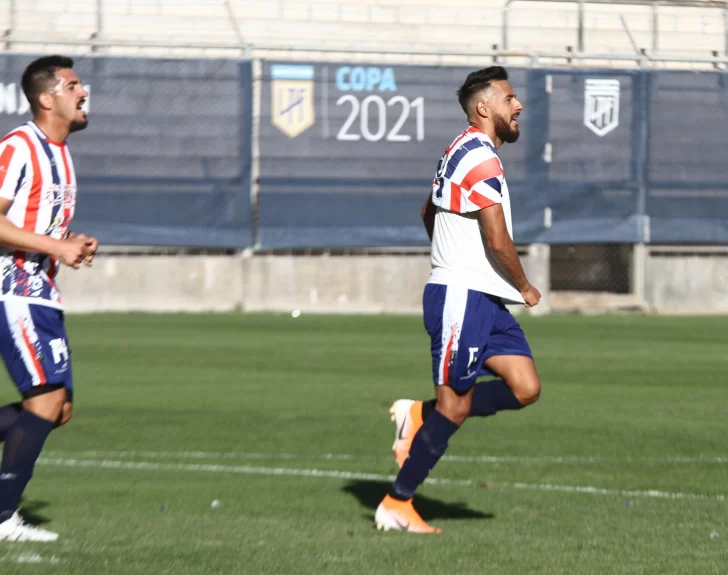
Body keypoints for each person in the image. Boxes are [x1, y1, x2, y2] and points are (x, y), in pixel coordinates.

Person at [375, 66, 542, 533]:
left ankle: (417, 413)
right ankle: (396, 503)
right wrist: (525, 286)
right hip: (462, 298)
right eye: (510, 99)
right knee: (457, 407)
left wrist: (450, 251)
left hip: (485, 298)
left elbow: (428, 209)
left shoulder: (466, 149)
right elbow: (497, 238)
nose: (518, 106)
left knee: (525, 387)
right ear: (484, 107)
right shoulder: (479, 157)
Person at [0, 55, 97, 542]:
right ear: (47, 97)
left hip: (41, 291)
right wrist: (56, 246)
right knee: (44, 401)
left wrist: (69, 241)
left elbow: (34, 225)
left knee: (57, 410)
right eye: (74, 84)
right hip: (11, 287)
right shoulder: (19, 147)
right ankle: (2, 518)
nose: (85, 92)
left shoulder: (60, 153)